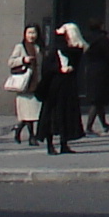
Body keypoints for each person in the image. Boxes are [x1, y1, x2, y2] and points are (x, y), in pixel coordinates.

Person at [43, 24, 86, 154]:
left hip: (67, 86)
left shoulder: (73, 51)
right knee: (52, 117)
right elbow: (48, 66)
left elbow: (76, 51)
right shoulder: (55, 49)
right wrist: (59, 69)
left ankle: (63, 143)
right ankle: (50, 145)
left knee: (65, 116)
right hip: (54, 87)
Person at [7, 25, 46, 145]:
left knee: (33, 114)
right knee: (28, 114)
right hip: (25, 84)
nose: (31, 36)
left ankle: (19, 129)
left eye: (33, 33)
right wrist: (23, 60)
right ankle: (32, 137)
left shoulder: (39, 48)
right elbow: (11, 62)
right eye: (29, 33)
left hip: (37, 83)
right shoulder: (20, 47)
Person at [79, 22, 109, 136]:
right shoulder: (102, 40)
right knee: (97, 101)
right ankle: (89, 127)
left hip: (90, 71)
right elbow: (108, 55)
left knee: (98, 100)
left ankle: (104, 124)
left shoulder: (87, 39)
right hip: (102, 72)